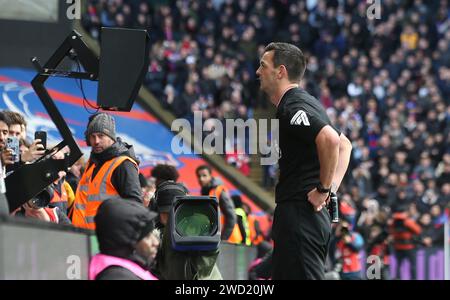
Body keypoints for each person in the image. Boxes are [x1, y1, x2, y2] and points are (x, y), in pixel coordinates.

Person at [256, 42, 352, 279]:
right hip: (303, 215)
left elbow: (331, 140)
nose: (258, 72)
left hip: (300, 215)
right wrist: (330, 189)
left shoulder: (294, 104)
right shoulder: (304, 102)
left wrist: (324, 189)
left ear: (280, 71)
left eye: (263, 65)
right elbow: (344, 144)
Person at [71, 113, 142, 230]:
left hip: (106, 240)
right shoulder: (93, 161)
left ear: (111, 137)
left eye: (101, 135)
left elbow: (134, 206)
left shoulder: (123, 164)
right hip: (82, 237)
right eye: (92, 136)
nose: (96, 141)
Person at [152, 180, 222, 280]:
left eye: (175, 213)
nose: (171, 219)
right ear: (157, 212)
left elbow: (207, 258)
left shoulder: (196, 225)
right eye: (166, 213)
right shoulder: (155, 236)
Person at [89, 199, 159, 280]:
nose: (156, 242)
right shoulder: (116, 276)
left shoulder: (122, 271)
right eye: (147, 236)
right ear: (126, 242)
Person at [196, 165, 238, 241]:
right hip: (217, 238)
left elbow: (231, 216)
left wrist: (223, 239)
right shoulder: (206, 192)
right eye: (199, 176)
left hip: (228, 240)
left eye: (204, 176)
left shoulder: (219, 191)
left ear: (210, 176)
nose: (201, 179)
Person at [388, 205, 422, 280]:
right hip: (409, 247)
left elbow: (390, 231)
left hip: (398, 246)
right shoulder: (408, 221)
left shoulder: (393, 222)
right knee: (413, 265)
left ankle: (397, 278)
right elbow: (418, 230)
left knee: (398, 265)